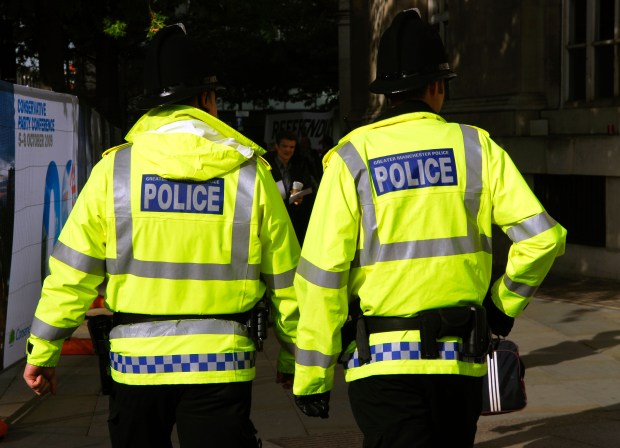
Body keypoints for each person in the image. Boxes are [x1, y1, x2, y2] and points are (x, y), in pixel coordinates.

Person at [292, 9, 567, 448]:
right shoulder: (477, 148)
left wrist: (312, 376)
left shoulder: (351, 158)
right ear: (437, 87)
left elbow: (322, 276)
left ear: (387, 94)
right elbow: (543, 237)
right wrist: (500, 306)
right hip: (458, 363)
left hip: (381, 365)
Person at [23, 24, 299, 448]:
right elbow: (286, 280)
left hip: (137, 367)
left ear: (153, 104)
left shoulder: (113, 173)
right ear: (207, 100)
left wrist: (43, 350)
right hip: (221, 364)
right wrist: (294, 353)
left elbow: (71, 273)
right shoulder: (250, 176)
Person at [263, 130, 315, 245]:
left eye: (291, 147)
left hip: (294, 218)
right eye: (284, 146)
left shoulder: (299, 165)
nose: (288, 150)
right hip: (272, 216)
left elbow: (308, 186)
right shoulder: (265, 164)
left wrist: (301, 197)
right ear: (277, 146)